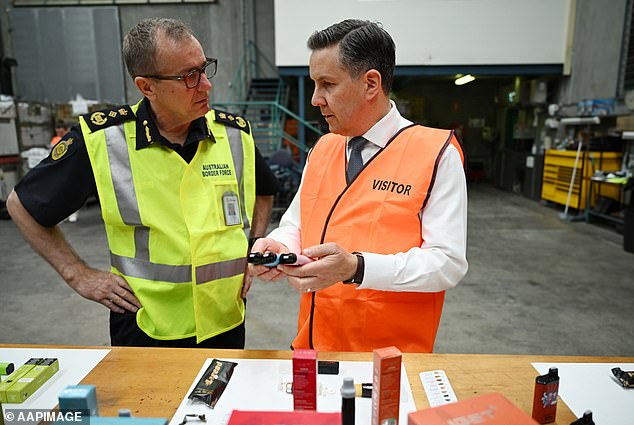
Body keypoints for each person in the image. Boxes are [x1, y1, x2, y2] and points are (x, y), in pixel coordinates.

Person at [7, 18, 280, 348]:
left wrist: (253, 247)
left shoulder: (234, 134)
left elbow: (264, 189)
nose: (206, 85)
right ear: (146, 86)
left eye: (205, 68)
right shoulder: (104, 141)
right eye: (189, 77)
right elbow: (21, 205)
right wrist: (78, 275)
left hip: (226, 321)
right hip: (146, 328)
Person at [250, 19, 468, 353]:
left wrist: (357, 268)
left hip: (389, 359)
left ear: (370, 84)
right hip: (313, 348)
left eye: (327, 84)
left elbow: (446, 263)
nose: (315, 99)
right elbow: (296, 223)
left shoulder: (436, 154)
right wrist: (278, 245)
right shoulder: (324, 148)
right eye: (314, 84)